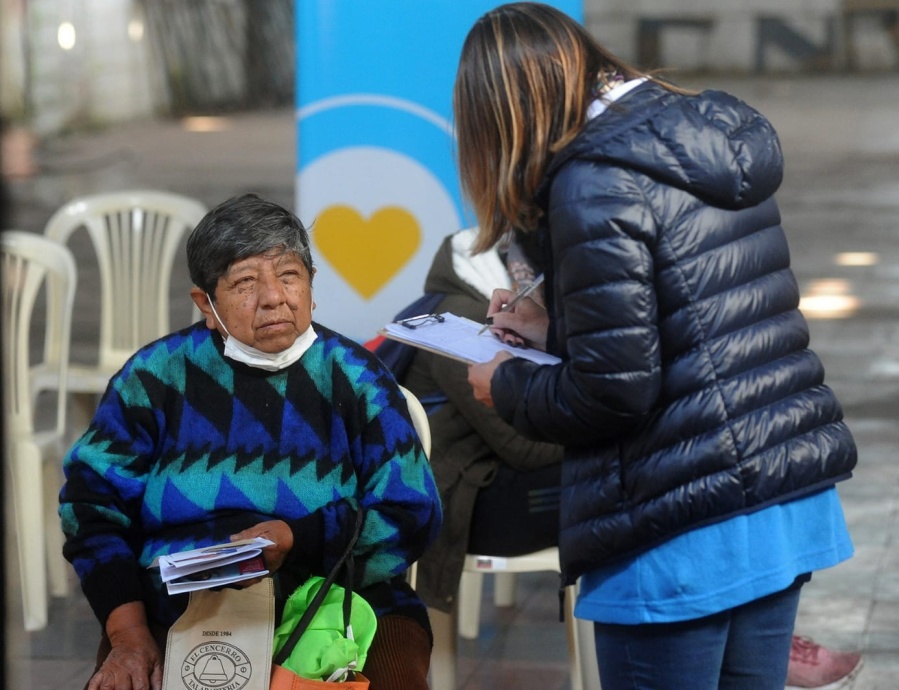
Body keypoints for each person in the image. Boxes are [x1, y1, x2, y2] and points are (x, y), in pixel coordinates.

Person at [457, 4, 857, 689]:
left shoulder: (590, 181)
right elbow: (693, 322)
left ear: (505, 113)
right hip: (774, 496)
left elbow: (613, 394)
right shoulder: (702, 130)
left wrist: (505, 384)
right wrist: (556, 331)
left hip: (678, 525)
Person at [58, 193, 442, 690]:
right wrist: (129, 633)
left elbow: (410, 512)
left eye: (289, 275)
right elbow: (91, 508)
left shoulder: (358, 380)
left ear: (310, 286)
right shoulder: (155, 378)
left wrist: (298, 540)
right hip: (178, 605)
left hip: (341, 600)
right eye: (244, 282)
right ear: (207, 305)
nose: (274, 297)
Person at [393, 227, 564, 612]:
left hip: (465, 483)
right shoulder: (468, 321)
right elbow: (522, 447)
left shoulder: (444, 306)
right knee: (602, 483)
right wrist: (592, 425)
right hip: (458, 505)